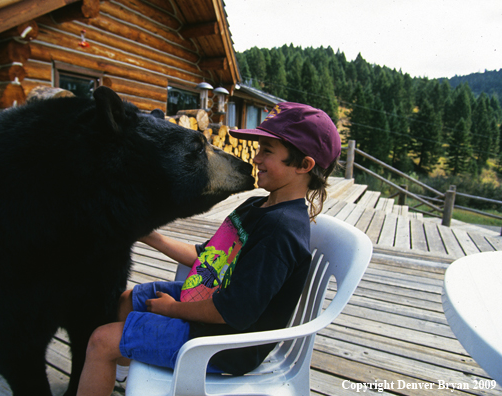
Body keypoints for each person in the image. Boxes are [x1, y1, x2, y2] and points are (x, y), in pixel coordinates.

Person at [76, 102, 342, 396]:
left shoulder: (281, 231)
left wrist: (174, 310)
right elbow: (207, 259)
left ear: (304, 165)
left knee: (100, 341)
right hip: (209, 297)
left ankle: (112, 356)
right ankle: (123, 374)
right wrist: (150, 236)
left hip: (226, 343)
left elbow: (234, 311)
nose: (255, 159)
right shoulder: (257, 206)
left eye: (267, 150)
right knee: (126, 300)